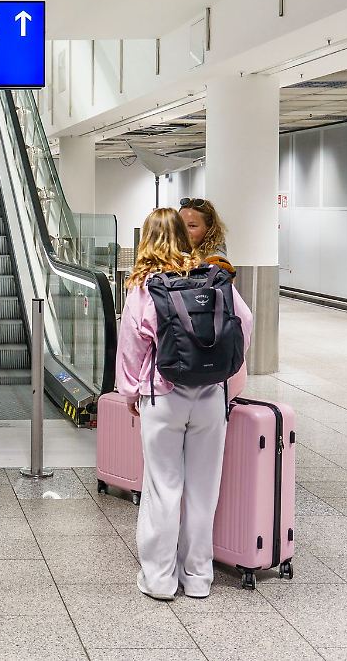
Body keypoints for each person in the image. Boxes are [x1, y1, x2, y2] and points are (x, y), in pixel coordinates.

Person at [117, 207, 253, 602]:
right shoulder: (214, 278)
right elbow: (243, 322)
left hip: (163, 394)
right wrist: (221, 369)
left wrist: (130, 393)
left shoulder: (146, 286)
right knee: (203, 489)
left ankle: (159, 580)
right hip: (211, 396)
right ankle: (197, 578)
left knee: (163, 486)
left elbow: (131, 346)